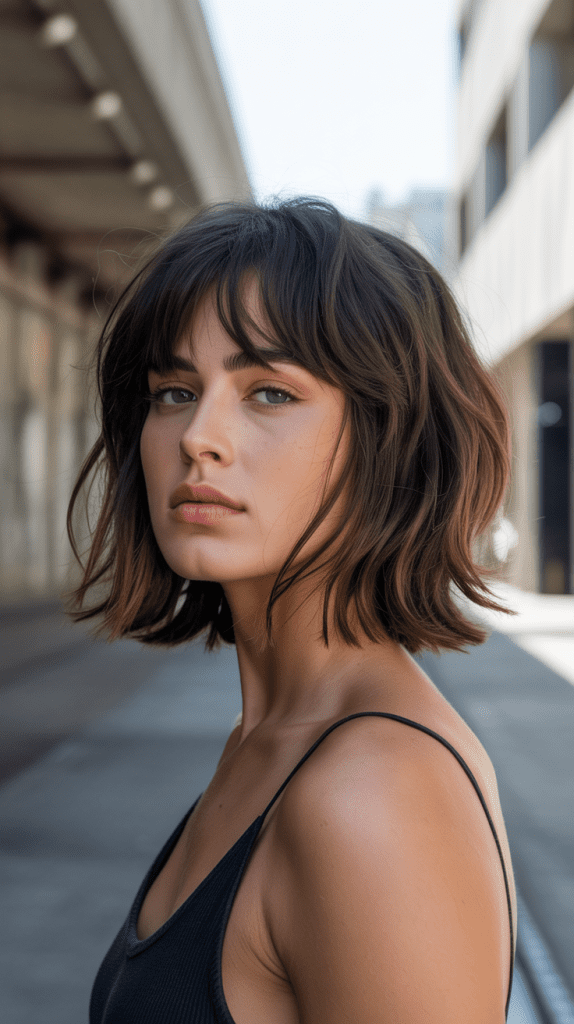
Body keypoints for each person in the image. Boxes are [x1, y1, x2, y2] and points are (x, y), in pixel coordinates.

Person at [68, 197, 516, 1023]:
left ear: (391, 439)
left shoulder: (373, 790)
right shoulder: (267, 741)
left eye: (269, 392)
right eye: (172, 390)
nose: (199, 435)